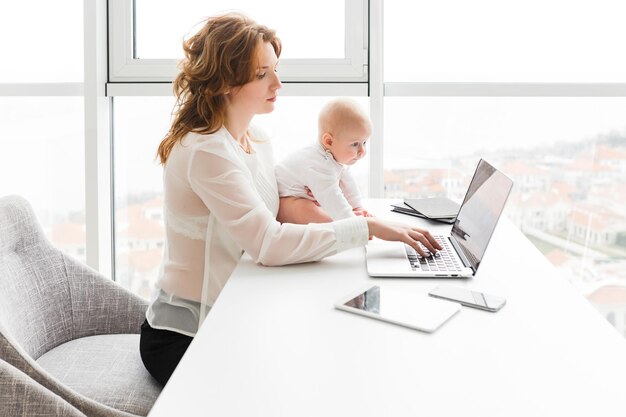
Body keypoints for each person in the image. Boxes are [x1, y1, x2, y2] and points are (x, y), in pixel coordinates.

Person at [139, 12, 441, 387]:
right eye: (262, 74)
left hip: (236, 308)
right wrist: (363, 228)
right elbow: (268, 242)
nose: (278, 83)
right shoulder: (207, 150)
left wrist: (360, 223)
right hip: (187, 336)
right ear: (226, 83)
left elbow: (277, 209)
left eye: (275, 69)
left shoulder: (256, 137)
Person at [275, 98, 372, 224]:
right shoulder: (319, 164)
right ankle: (343, 223)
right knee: (305, 209)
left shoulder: (334, 157)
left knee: (325, 203)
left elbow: (349, 184)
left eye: (364, 142)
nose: (362, 151)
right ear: (329, 141)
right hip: (286, 201)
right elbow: (332, 196)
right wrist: (352, 222)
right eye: (355, 144)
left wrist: (358, 207)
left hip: (308, 197)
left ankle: (344, 219)